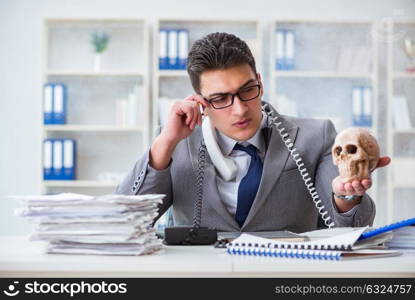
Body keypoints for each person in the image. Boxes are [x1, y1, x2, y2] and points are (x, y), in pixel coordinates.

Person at [115, 32, 390, 233]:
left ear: (259, 82)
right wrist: (165, 143)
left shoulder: (315, 136)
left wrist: (346, 197)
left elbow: (357, 226)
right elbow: (123, 223)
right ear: (200, 102)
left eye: (247, 90)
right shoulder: (176, 143)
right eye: (221, 98)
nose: (239, 110)